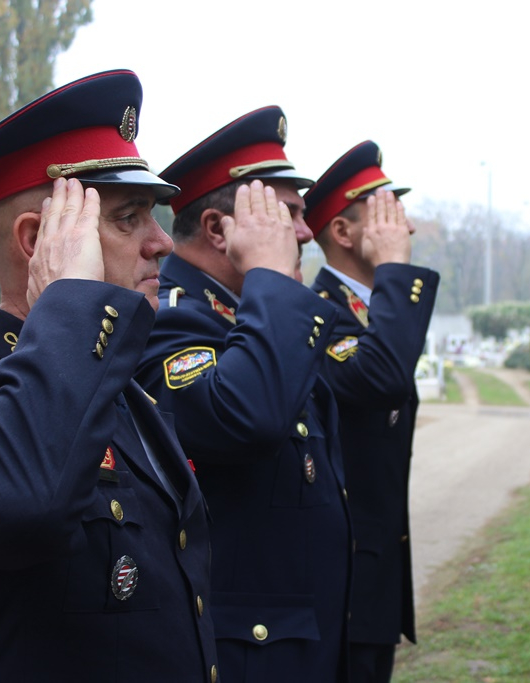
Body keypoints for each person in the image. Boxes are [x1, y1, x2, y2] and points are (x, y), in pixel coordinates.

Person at [0, 69, 219, 682]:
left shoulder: (121, 391)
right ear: (39, 242)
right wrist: (69, 300)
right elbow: (20, 506)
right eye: (127, 218)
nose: (162, 242)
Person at [135, 106, 352, 683]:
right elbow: (242, 420)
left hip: (299, 641)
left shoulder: (248, 314)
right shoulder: (170, 319)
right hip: (246, 657)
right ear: (217, 229)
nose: (306, 233)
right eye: (288, 217)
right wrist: (274, 278)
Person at [303, 141, 440, 682]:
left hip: (372, 577)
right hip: (341, 586)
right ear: (343, 233)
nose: (402, 228)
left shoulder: (368, 315)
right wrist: (395, 273)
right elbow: (382, 378)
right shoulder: (321, 316)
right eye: (384, 214)